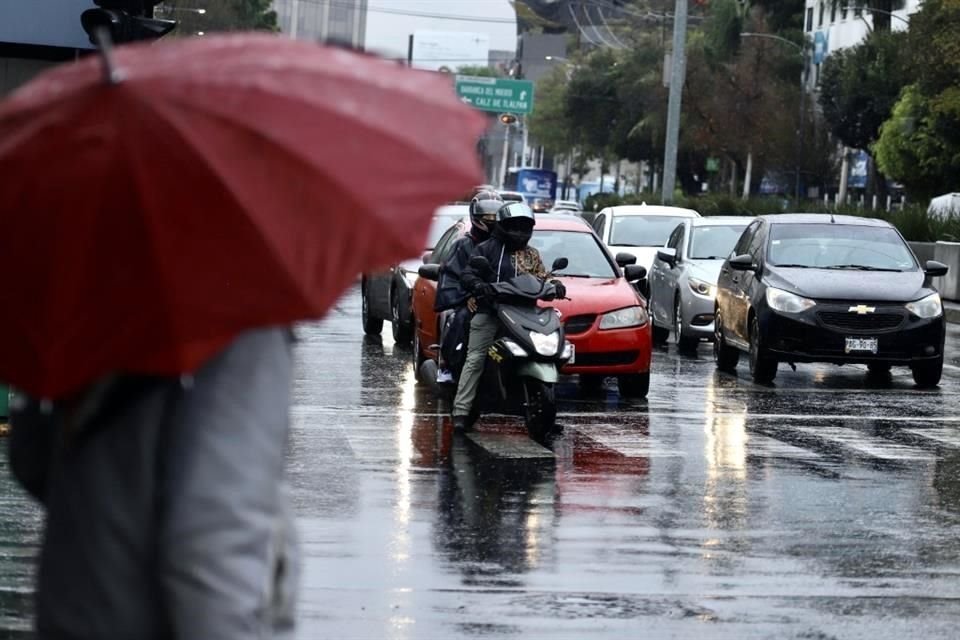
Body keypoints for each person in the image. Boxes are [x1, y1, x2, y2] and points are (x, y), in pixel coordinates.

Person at [8, 328, 299, 639]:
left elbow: (30, 457)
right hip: (154, 620)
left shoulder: (86, 315)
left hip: (75, 605)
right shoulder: (244, 332)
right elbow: (211, 544)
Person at [451, 202, 565, 430]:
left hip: (525, 313)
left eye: (524, 227)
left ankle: (544, 411)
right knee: (476, 357)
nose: (519, 232)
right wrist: (478, 285)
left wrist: (556, 284)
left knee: (548, 351)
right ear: (502, 226)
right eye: (514, 226)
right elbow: (468, 274)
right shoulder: (485, 249)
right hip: (491, 311)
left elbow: (543, 276)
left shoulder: (532, 254)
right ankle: (461, 410)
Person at [434, 190, 502, 383]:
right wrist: (467, 297)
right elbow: (452, 276)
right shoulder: (463, 245)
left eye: (495, 216)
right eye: (487, 216)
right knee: (460, 318)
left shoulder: (506, 246)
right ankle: (448, 364)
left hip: (501, 300)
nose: (492, 220)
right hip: (471, 302)